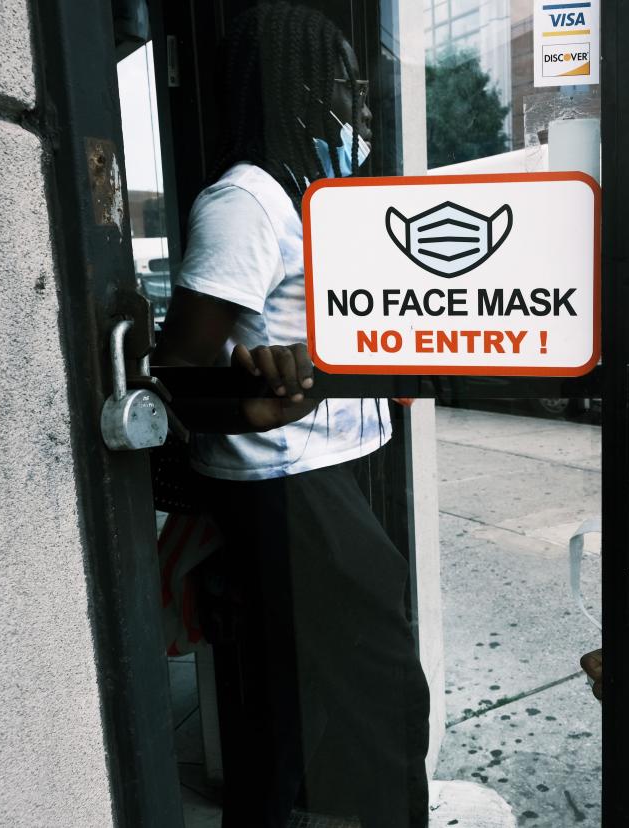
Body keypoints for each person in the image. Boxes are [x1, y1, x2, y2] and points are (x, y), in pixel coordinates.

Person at [152, 4, 429, 826]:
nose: (362, 106)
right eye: (345, 84)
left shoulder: (317, 195)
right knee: (378, 702)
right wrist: (249, 397)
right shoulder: (249, 200)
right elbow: (178, 367)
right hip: (287, 486)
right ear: (292, 84)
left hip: (323, 473)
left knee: (292, 711)